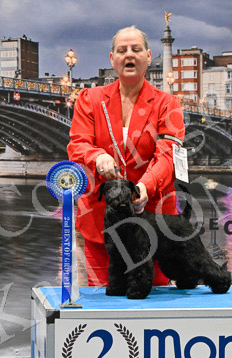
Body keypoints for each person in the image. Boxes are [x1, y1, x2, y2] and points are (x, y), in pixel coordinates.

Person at [67, 26, 185, 286]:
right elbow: (78, 144)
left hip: (154, 224)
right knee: (103, 299)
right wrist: (97, 157)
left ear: (148, 56)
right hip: (100, 222)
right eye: (122, 50)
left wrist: (145, 187)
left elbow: (168, 156)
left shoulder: (168, 104)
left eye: (136, 49)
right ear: (112, 59)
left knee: (153, 299)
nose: (129, 55)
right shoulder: (89, 99)